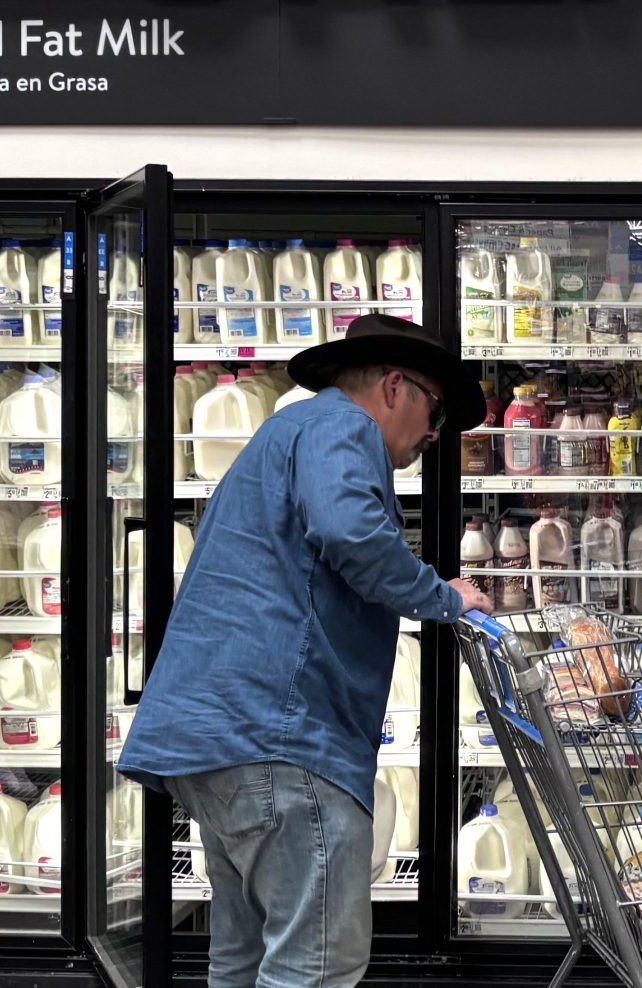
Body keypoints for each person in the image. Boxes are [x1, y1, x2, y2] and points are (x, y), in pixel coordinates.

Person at [118, 313, 493, 988]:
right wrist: (443, 596)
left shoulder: (285, 431)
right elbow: (352, 534)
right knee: (316, 965)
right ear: (393, 387)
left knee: (244, 956)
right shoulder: (339, 428)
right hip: (282, 740)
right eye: (436, 411)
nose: (436, 434)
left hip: (219, 739)